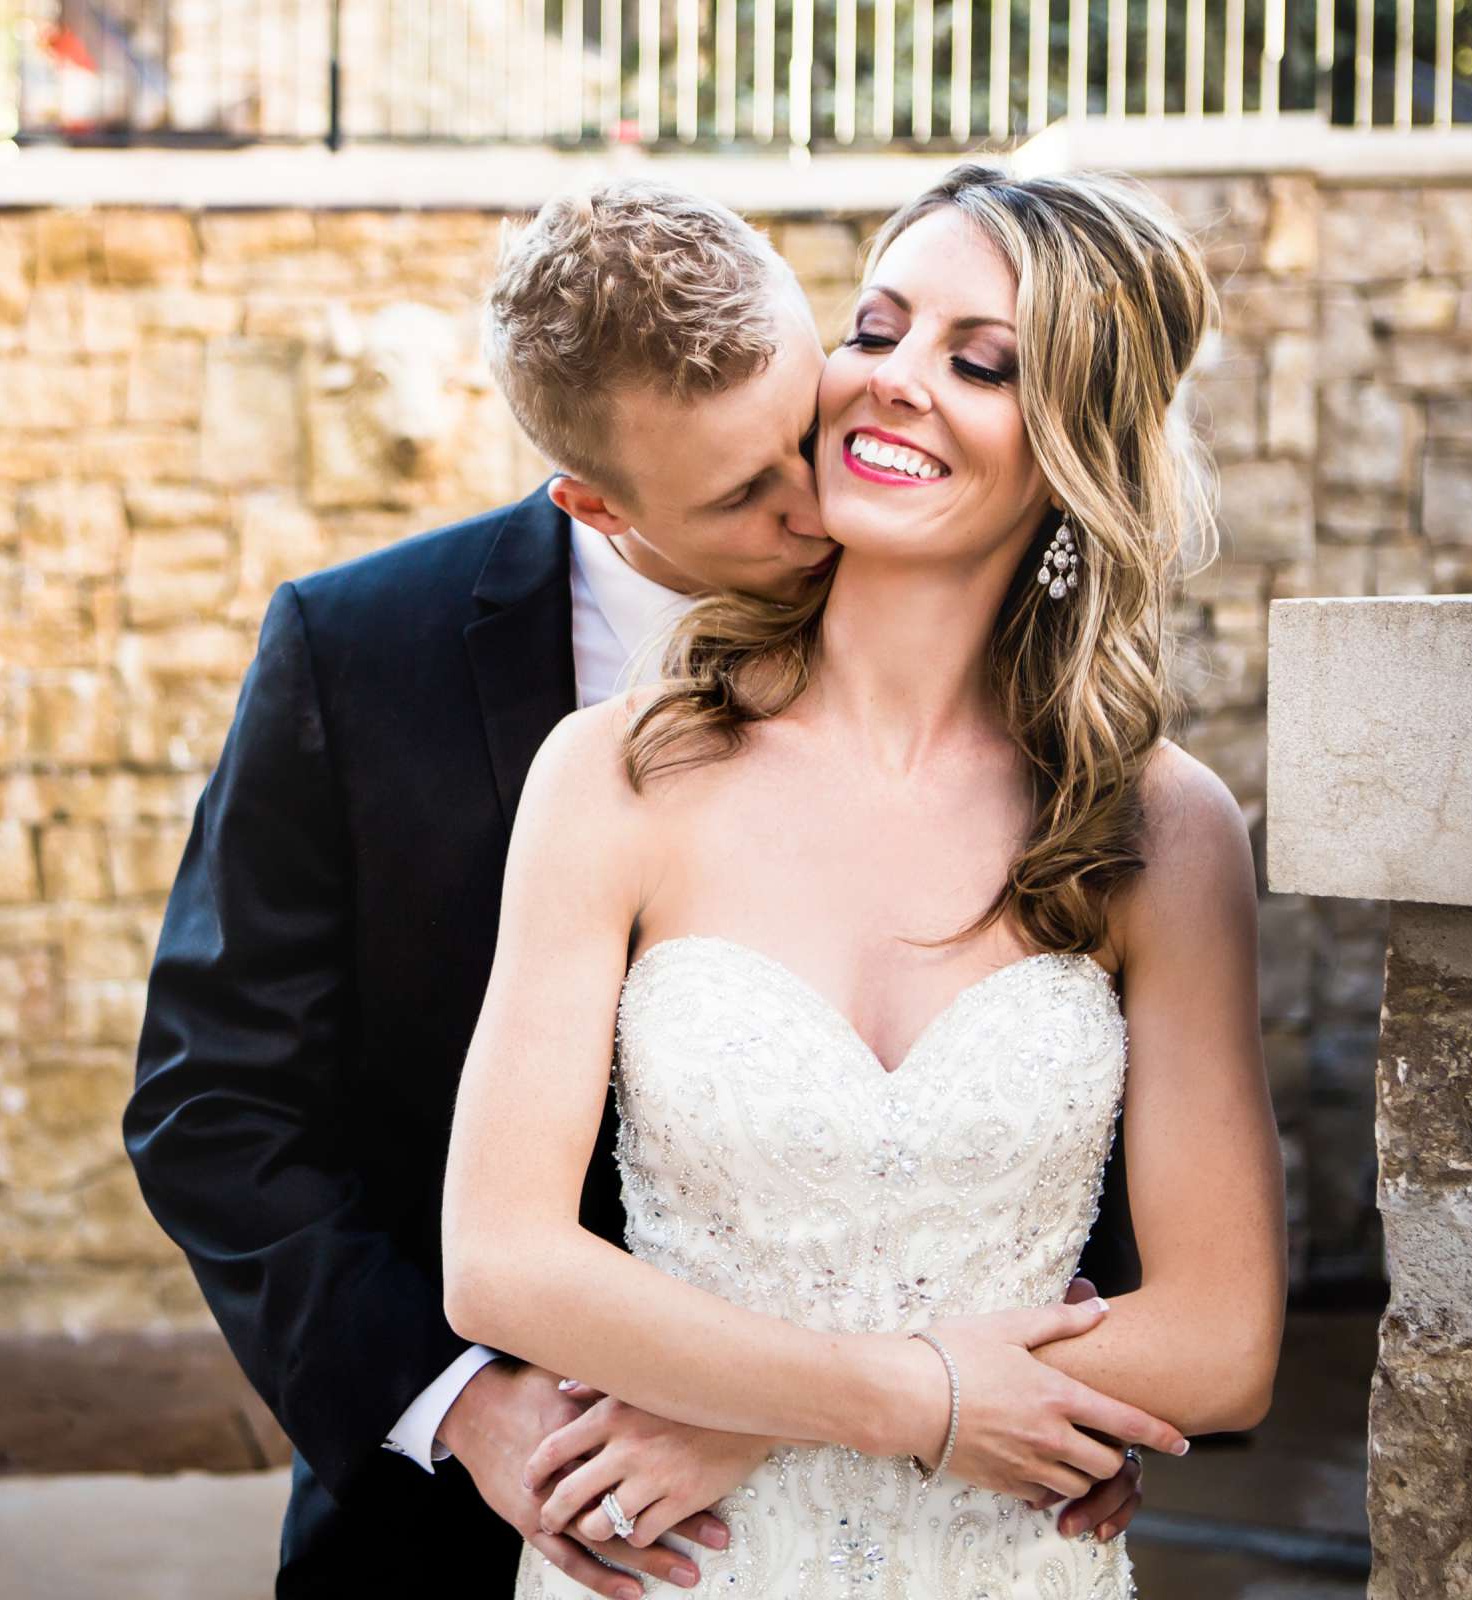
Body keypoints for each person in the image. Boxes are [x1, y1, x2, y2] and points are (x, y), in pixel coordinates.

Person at [124, 177, 1149, 1600]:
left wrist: (1045, 1369)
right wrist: (473, 1412)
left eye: (807, 426)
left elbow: (1044, 1046)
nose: (819, 495)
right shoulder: (356, 655)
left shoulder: (1011, 672)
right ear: (595, 501)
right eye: (745, 491)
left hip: (942, 1498)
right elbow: (213, 1106)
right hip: (468, 1518)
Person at [442, 164, 1287, 1599]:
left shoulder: (1163, 827)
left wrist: (747, 1414)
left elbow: (1223, 1342)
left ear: (1076, 441)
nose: (893, 381)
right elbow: (504, 1259)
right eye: (877, 328)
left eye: (980, 363)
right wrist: (907, 1403)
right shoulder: (615, 775)